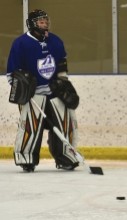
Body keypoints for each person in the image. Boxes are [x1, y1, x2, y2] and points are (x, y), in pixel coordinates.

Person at [6, 9, 80, 172]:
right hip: (33, 94)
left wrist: (63, 85)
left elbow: (61, 66)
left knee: (65, 123)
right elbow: (12, 73)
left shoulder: (56, 41)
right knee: (30, 126)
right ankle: (26, 157)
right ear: (32, 24)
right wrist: (22, 90)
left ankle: (66, 156)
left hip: (54, 92)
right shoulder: (20, 43)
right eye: (41, 21)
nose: (45, 24)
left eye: (46, 21)